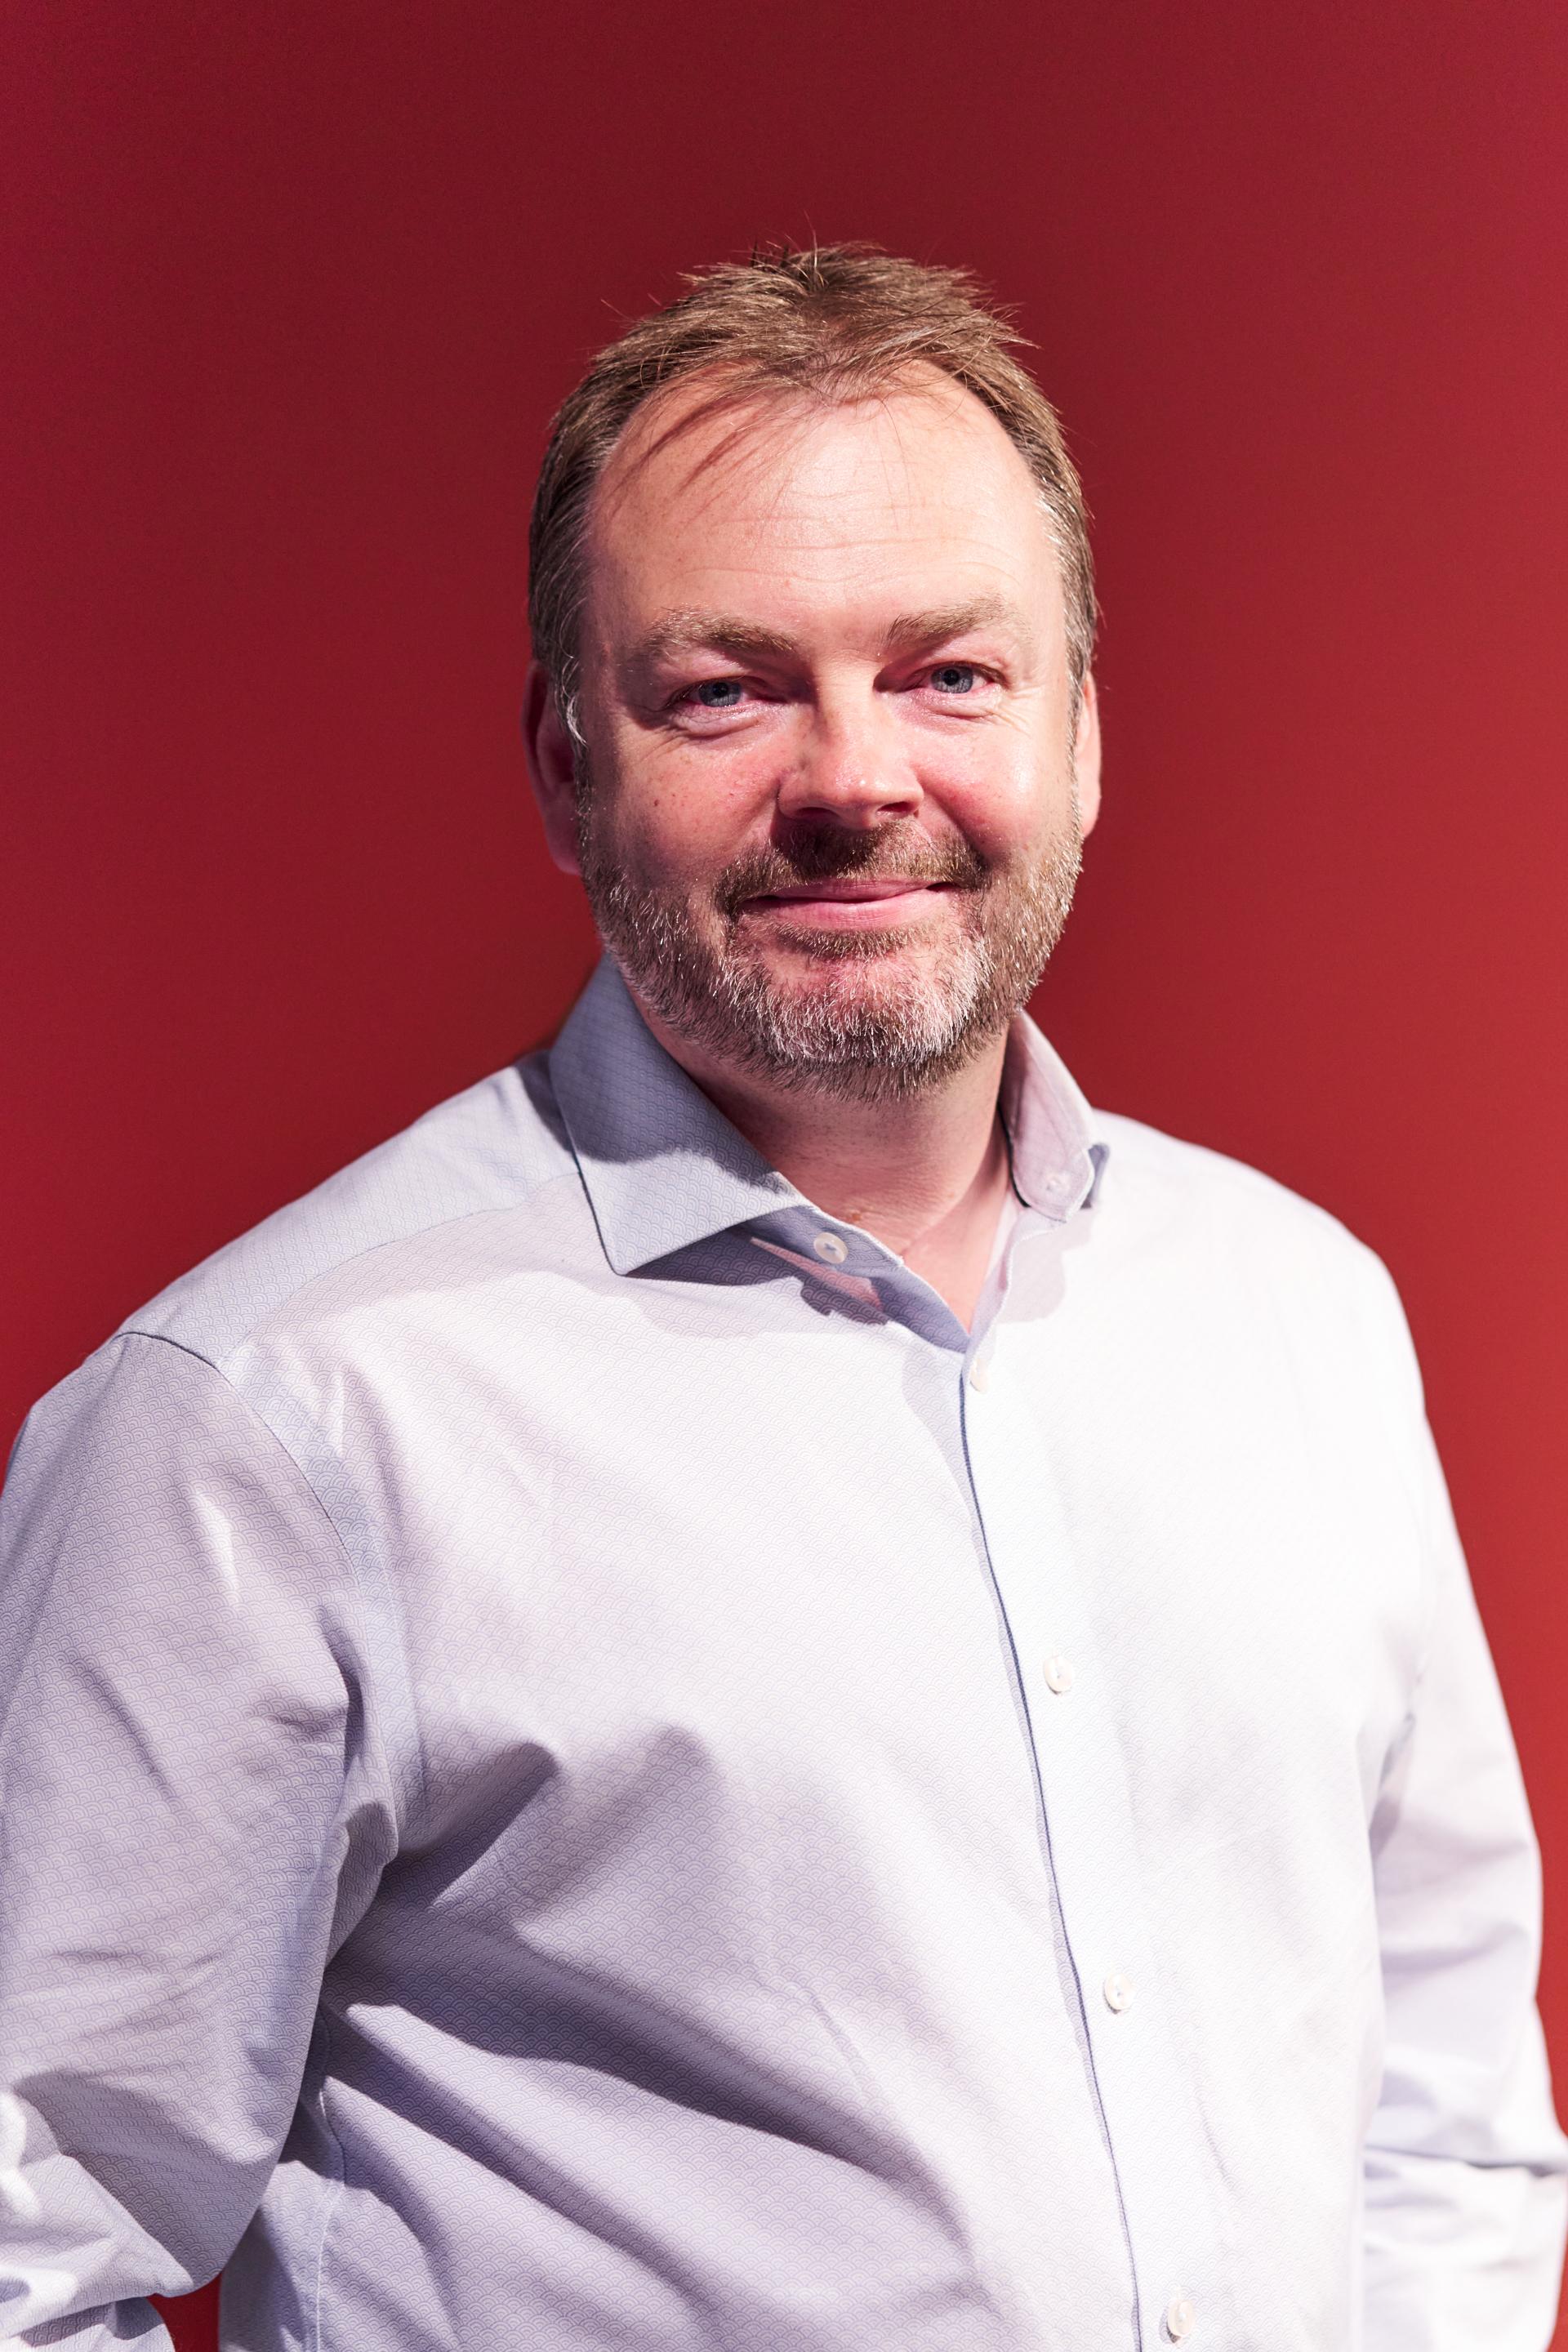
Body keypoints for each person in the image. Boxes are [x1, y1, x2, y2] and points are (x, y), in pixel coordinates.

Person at [1, 243, 1562, 2352]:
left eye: (951, 674)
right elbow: (29, 2239)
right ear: (566, 766)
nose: (855, 779)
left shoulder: (1297, 1314)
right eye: (726, 688)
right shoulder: (268, 1422)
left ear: (1087, 733)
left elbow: (1443, 2095)